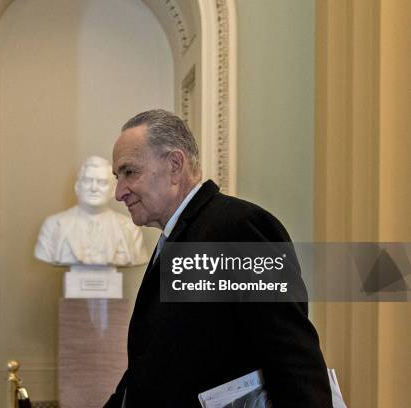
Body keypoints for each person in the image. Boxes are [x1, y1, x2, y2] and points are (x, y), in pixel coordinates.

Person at [104, 110, 332, 407]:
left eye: (129, 172)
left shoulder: (239, 228)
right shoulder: (174, 238)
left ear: (174, 165)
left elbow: (291, 357)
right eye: (117, 176)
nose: (119, 192)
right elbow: (153, 361)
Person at [35, 155, 148, 266]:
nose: (94, 188)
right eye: (88, 181)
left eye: (102, 182)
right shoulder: (53, 226)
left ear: (113, 190)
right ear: (78, 186)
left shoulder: (130, 228)